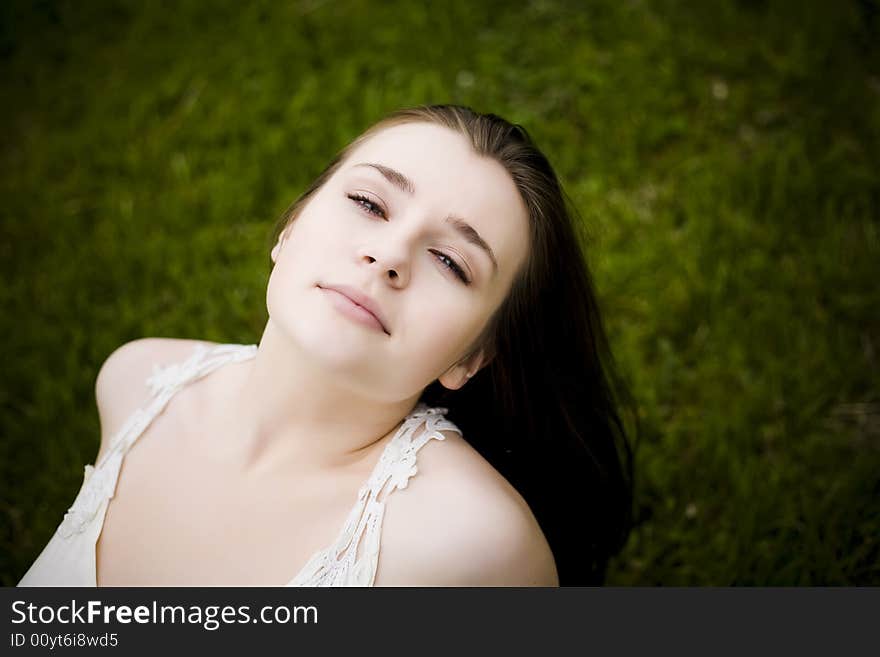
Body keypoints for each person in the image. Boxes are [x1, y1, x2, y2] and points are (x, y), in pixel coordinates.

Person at [18, 104, 633, 587]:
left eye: (450, 260)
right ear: (290, 229)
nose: (389, 256)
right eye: (368, 202)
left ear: (471, 356)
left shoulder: (473, 543)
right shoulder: (134, 381)